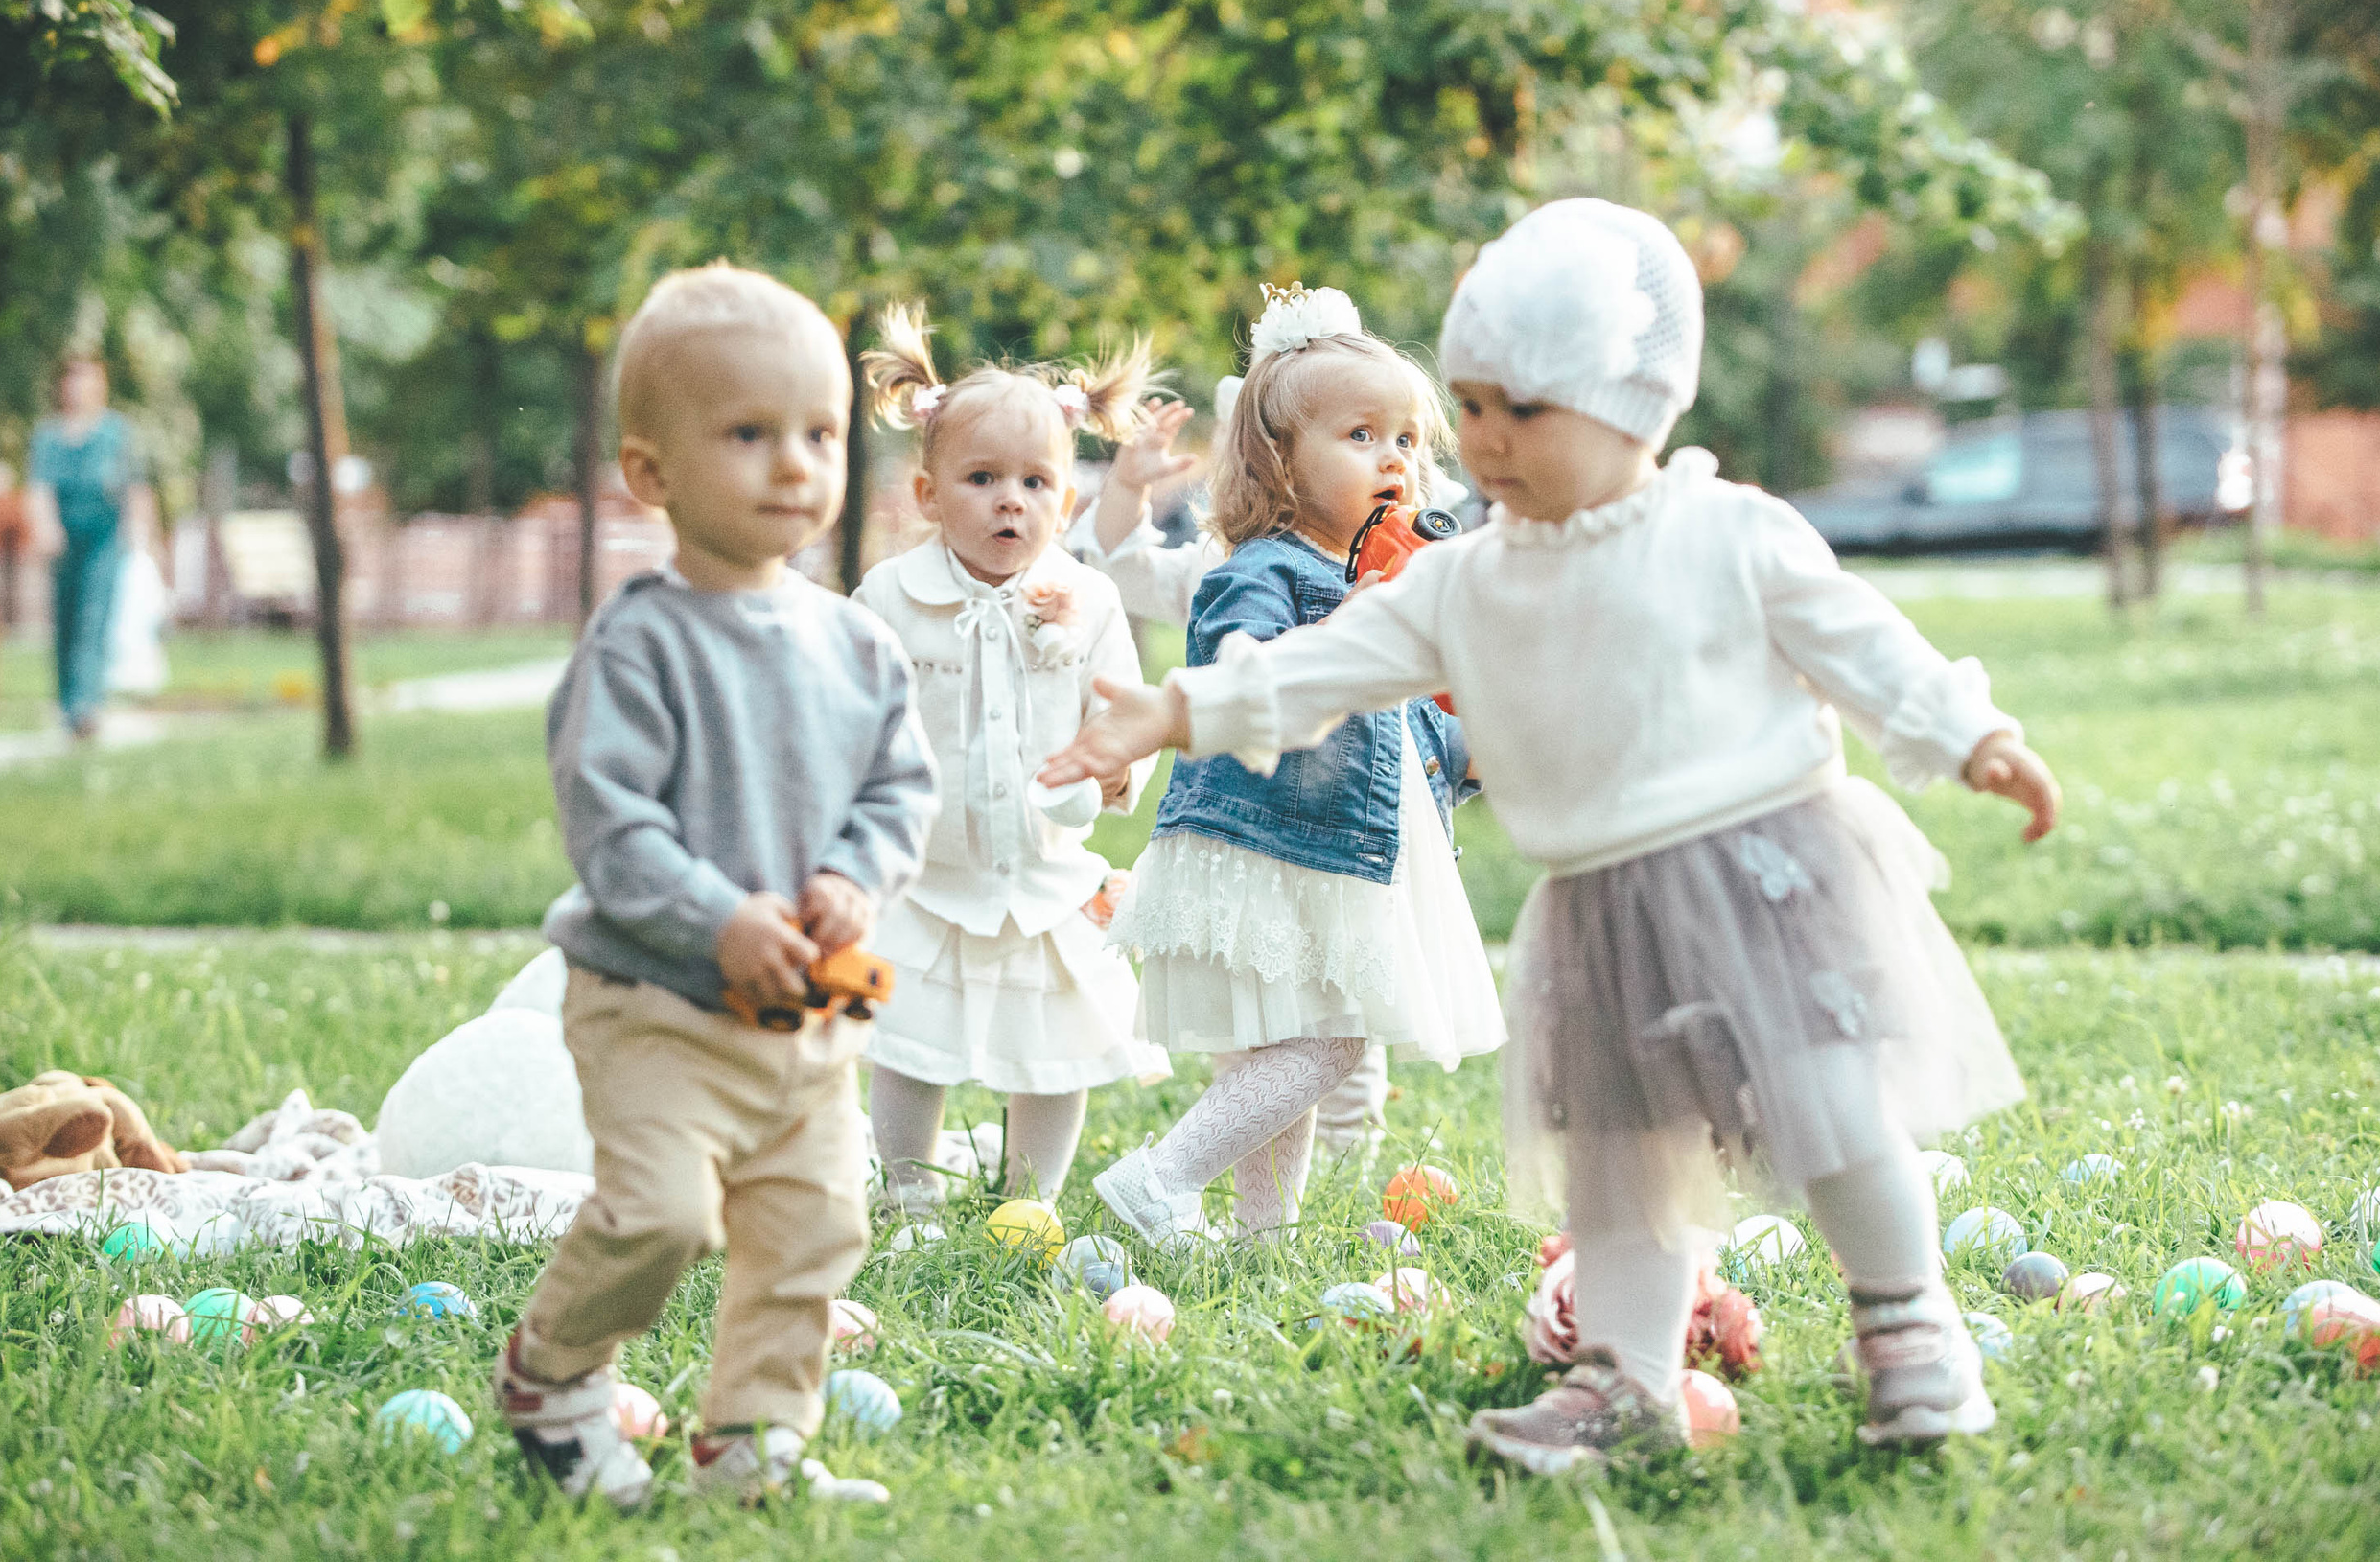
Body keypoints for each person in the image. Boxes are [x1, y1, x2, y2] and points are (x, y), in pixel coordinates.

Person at [1041, 200, 2063, 1462]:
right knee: (1621, 1164)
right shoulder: (1465, 573)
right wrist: (1176, 706)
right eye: (1469, 405)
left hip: (1758, 870)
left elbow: (1857, 636)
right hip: (1601, 907)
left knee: (1831, 1113)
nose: (1478, 439)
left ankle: (1913, 1329)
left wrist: (1969, 731)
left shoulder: (1725, 530)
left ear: (1630, 402)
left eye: (1519, 410)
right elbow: (1328, 662)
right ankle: (1625, 1379)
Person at [493, 263, 938, 1509]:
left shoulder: (859, 644)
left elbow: (898, 792)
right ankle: (555, 1371)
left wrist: (855, 874)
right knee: (662, 1212)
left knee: (811, 1232)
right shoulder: (637, 641)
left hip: (805, 1024)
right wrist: (718, 915)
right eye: (749, 433)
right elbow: (612, 826)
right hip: (658, 1002)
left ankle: (752, 1439)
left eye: (820, 433)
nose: (794, 463)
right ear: (652, 473)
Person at [1087, 284, 1504, 1247]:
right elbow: (1247, 672)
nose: (1393, 456)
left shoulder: (1386, 574)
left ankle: (1258, 1238)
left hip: (1342, 843)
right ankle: (1161, 1177)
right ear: (1276, 458)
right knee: (1327, 1038)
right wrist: (1354, 622)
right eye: (1359, 434)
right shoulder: (1264, 569)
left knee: (1287, 1040)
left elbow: (1419, 718)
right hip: (1277, 839)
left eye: (1405, 438)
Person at [848, 305, 1172, 1214]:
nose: (1010, 500)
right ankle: (906, 1192)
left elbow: (1120, 707)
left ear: (1064, 501)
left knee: (1054, 1042)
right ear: (927, 495)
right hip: (927, 871)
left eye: (1035, 482)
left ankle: (1031, 1199)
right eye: (982, 477)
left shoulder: (1090, 601)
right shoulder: (890, 596)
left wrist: (1117, 769)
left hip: (1044, 875)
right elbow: (855, 714)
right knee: (908, 1039)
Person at [27, 355, 143, 739]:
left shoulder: (115, 432)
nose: (77, 388)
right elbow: (39, 488)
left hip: (103, 539)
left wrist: (141, 534)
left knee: (93, 618)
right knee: (65, 620)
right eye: (71, 380)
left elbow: (134, 486)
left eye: (86, 380)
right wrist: (46, 527)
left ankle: (85, 707)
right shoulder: (48, 435)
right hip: (65, 538)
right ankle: (67, 704)